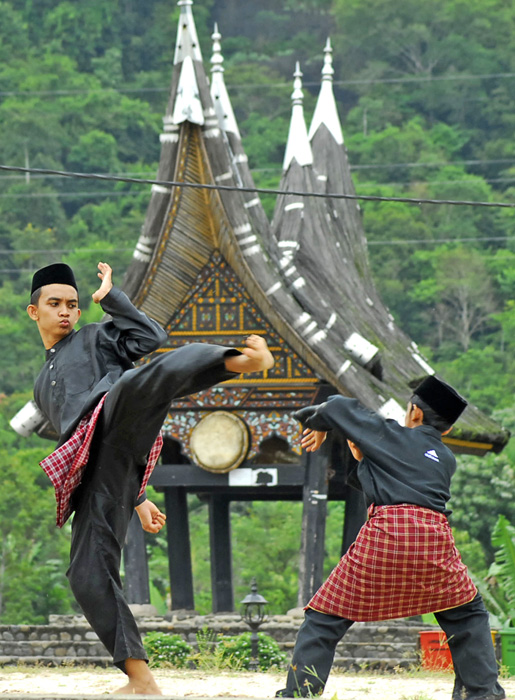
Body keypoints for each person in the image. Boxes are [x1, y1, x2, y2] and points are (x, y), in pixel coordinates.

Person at [26, 261, 274, 696]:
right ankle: (141, 681)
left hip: (118, 408)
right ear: (35, 312)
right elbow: (81, 443)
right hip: (97, 464)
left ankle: (239, 360)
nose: (65, 311)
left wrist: (111, 301)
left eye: (72, 304)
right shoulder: (39, 388)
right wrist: (138, 498)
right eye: (55, 304)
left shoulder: (96, 336)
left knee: (140, 380)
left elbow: (151, 339)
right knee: (85, 574)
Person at [276, 376, 505, 700]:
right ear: (449, 430)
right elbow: (402, 481)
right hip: (434, 541)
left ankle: (298, 694)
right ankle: (483, 694)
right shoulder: (446, 459)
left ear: (414, 412)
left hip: (386, 535)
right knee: (467, 616)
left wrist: (318, 422)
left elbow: (340, 405)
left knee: (323, 619)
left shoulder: (393, 434)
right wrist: (363, 460)